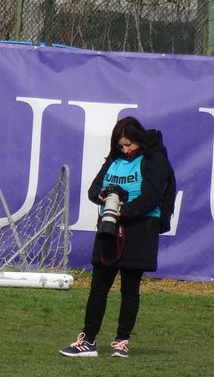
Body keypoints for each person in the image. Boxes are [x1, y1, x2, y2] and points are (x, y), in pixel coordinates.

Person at [59, 116, 175, 359]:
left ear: (140, 140)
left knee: (130, 288)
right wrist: (104, 197)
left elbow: (152, 197)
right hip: (109, 228)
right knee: (98, 287)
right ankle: (87, 340)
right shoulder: (115, 160)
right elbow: (93, 189)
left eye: (130, 145)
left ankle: (122, 341)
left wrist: (125, 211)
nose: (126, 150)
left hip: (140, 229)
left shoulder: (155, 161)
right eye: (121, 145)